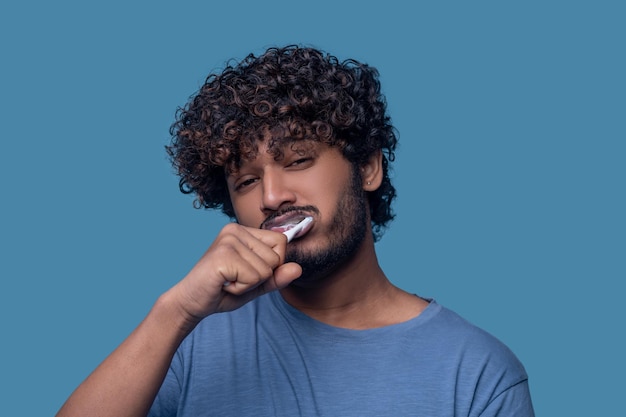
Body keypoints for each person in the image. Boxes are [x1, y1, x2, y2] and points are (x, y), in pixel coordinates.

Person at [56, 45, 535, 417]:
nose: (271, 196)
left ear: (367, 168)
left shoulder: (477, 373)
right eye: (246, 181)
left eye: (299, 160)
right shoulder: (191, 339)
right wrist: (174, 312)